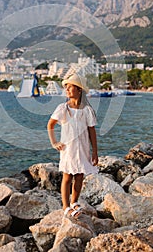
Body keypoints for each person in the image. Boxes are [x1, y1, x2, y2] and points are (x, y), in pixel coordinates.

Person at [47, 73, 98, 218]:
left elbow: (92, 132)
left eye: (70, 87)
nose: (67, 90)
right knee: (67, 176)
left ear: (79, 90)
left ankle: (74, 201)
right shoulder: (63, 108)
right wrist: (54, 142)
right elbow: (50, 124)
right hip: (68, 148)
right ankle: (65, 206)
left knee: (80, 176)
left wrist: (95, 152)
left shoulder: (87, 110)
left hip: (82, 148)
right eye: (66, 88)